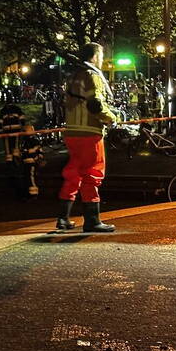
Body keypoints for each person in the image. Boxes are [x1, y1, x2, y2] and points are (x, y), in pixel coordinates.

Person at [57, 42, 118, 232]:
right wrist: (111, 118)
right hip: (89, 132)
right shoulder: (92, 75)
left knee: (73, 173)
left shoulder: (73, 76)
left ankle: (63, 218)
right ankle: (92, 220)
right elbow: (95, 105)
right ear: (94, 56)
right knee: (93, 173)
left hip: (72, 132)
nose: (102, 59)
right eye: (101, 55)